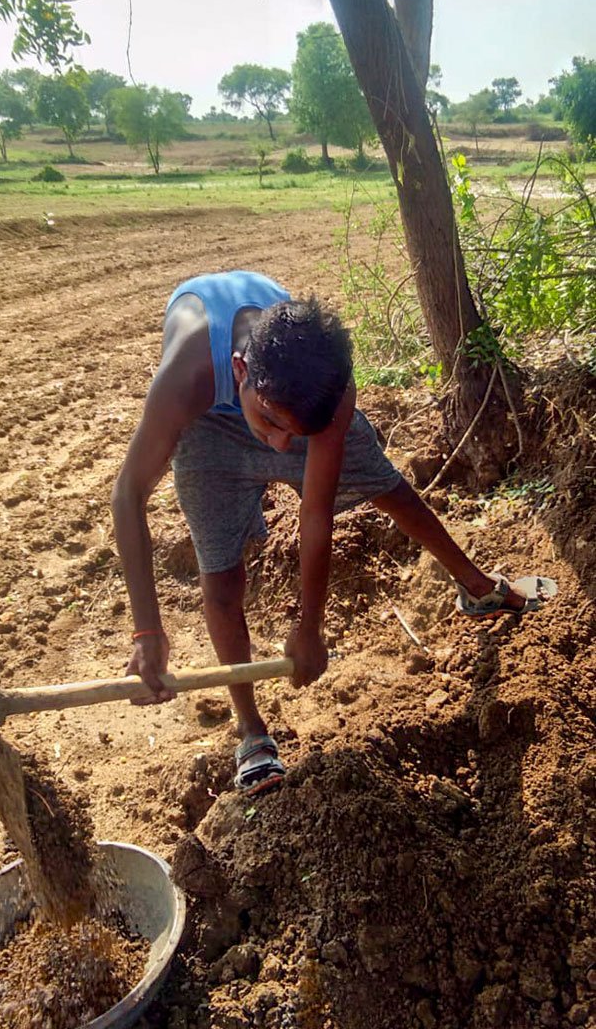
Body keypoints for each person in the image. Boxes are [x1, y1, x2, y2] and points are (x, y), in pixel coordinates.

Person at [112, 270, 550, 795]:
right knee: (222, 576)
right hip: (208, 426)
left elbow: (315, 514)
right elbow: (127, 494)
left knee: (388, 487)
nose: (278, 446)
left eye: (292, 436)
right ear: (240, 370)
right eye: (270, 425)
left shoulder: (327, 395)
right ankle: (251, 731)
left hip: (290, 400)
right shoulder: (187, 378)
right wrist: (147, 632)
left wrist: (310, 626)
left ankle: (477, 588)